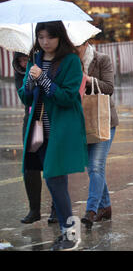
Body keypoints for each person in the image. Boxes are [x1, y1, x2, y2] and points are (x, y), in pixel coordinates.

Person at [18, 21, 88, 250]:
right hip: (39, 131)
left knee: (53, 178)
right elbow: (26, 97)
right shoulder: (35, 59)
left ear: (60, 37)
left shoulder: (70, 61)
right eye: (40, 37)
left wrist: (44, 80)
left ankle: (69, 232)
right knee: (56, 180)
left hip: (61, 130)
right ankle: (67, 231)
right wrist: (30, 79)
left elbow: (68, 97)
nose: (45, 42)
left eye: (49, 37)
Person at [76, 40, 119, 228]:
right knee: (93, 168)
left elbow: (109, 88)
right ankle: (105, 207)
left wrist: (88, 80)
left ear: (86, 43)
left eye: (77, 45)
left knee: (95, 166)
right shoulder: (69, 62)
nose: (74, 49)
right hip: (82, 121)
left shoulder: (102, 59)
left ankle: (91, 210)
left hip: (104, 121)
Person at [13, 51, 57, 224]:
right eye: (20, 61)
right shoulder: (21, 71)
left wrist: (41, 77)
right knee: (30, 166)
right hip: (32, 120)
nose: (24, 64)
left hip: (51, 118)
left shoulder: (47, 61)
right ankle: (34, 209)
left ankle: (56, 207)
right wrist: (30, 80)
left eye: (26, 60)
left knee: (53, 165)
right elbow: (25, 97)